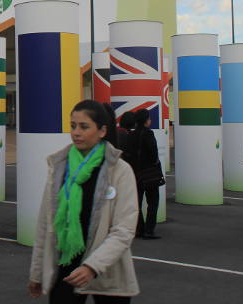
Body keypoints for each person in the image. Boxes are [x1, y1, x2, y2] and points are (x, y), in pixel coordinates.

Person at [28, 99, 139, 303]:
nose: (76, 132)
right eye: (73, 126)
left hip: (108, 270)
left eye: (84, 126)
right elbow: (45, 225)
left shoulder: (120, 170)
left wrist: (92, 266)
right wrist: (37, 273)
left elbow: (124, 229)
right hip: (66, 266)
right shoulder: (59, 167)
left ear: (102, 131)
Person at [131, 109, 161, 240]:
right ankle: (149, 230)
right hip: (149, 174)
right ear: (145, 120)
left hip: (135, 173)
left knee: (137, 202)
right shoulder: (149, 134)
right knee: (153, 201)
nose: (150, 120)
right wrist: (155, 162)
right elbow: (153, 152)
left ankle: (139, 229)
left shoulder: (131, 135)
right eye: (149, 118)